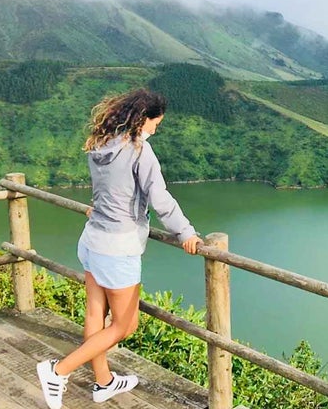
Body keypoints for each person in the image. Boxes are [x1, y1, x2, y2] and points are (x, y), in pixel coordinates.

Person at [36, 89, 204, 409]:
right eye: (156, 123)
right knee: (125, 325)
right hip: (117, 246)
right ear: (142, 119)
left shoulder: (101, 143)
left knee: (95, 315)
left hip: (92, 239)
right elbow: (160, 197)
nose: (156, 129)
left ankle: (104, 383)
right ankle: (58, 371)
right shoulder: (139, 150)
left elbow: (106, 192)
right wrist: (186, 233)